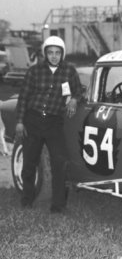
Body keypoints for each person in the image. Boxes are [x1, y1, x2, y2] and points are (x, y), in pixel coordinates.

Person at [15, 36, 83, 213]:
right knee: (29, 163)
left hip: (54, 122)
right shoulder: (35, 71)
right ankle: (26, 201)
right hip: (33, 119)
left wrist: (74, 100)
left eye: (57, 53)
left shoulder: (69, 71)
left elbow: (79, 90)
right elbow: (23, 97)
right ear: (45, 53)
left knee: (60, 163)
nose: (54, 56)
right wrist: (20, 122)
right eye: (51, 52)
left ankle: (58, 206)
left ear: (62, 54)